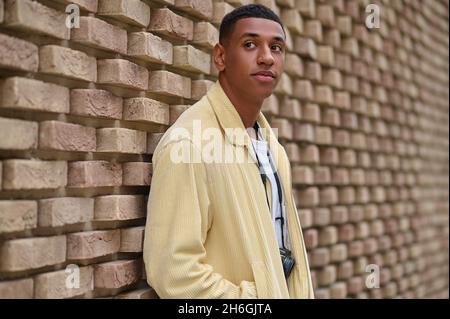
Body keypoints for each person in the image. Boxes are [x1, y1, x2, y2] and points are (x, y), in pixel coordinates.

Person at [143, 4, 314, 299]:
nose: (266, 57)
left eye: (277, 47)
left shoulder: (272, 147)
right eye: (250, 44)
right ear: (220, 57)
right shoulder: (189, 145)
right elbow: (173, 271)